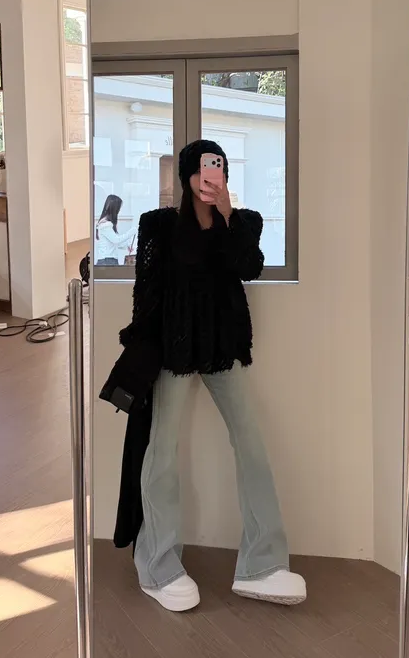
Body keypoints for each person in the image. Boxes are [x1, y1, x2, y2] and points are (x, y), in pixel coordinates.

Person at [100, 140, 306, 612]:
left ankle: (263, 563)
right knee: (162, 451)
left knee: (251, 442)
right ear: (187, 175)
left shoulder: (244, 221)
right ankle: (156, 563)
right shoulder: (158, 224)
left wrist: (229, 213)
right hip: (174, 349)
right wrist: (141, 348)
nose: (210, 176)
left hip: (223, 347)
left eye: (218, 168)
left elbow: (248, 267)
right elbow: (146, 291)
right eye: (202, 168)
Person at [95, 194, 136, 266]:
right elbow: (116, 240)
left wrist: (126, 246)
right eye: (118, 208)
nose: (119, 211)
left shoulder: (106, 223)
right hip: (107, 261)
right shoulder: (105, 224)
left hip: (108, 260)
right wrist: (131, 232)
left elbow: (114, 242)